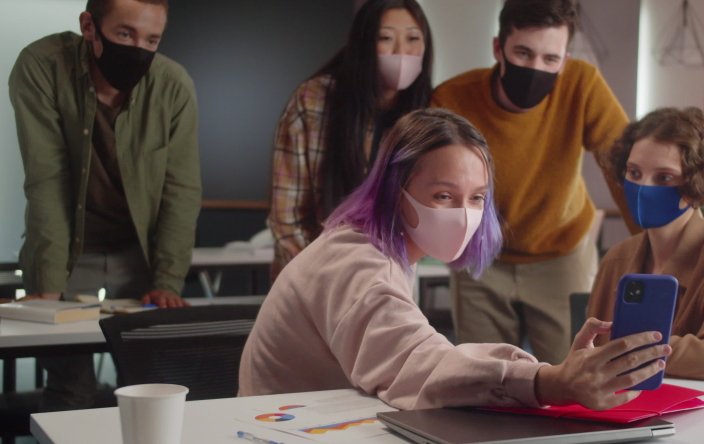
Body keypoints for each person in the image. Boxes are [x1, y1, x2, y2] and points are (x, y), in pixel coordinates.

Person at [239, 108, 670, 411]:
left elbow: (419, 353)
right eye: (444, 196)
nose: (465, 214)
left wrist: (546, 373)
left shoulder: (380, 248)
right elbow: (417, 362)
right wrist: (548, 382)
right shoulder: (356, 262)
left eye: (477, 198)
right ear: (395, 189)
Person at [9, 0, 199, 417]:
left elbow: (180, 190)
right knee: (69, 390)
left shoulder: (172, 84)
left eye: (151, 39)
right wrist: (48, 279)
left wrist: (168, 280)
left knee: (150, 390)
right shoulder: (42, 66)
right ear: (89, 27)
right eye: (125, 34)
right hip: (70, 251)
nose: (138, 49)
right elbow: (47, 179)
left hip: (140, 256)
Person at [431, 0, 639, 365]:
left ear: (565, 59)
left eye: (550, 59)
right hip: (481, 257)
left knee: (574, 372)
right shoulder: (452, 98)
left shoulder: (582, 84)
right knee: (481, 381)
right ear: (499, 48)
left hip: (561, 255)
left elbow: (626, 168)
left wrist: (650, 245)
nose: (535, 68)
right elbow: (426, 182)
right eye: (523, 53)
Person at [588, 107, 704, 382]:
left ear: (699, 185)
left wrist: (620, 350)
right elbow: (591, 355)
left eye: (664, 178)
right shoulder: (617, 258)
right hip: (627, 409)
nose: (643, 187)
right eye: (634, 173)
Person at [268, 0, 433, 279]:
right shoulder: (315, 102)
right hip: (312, 278)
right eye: (386, 38)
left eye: (413, 38)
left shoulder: (426, 113)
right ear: (363, 42)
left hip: (388, 278)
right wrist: (327, 279)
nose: (401, 52)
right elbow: (287, 217)